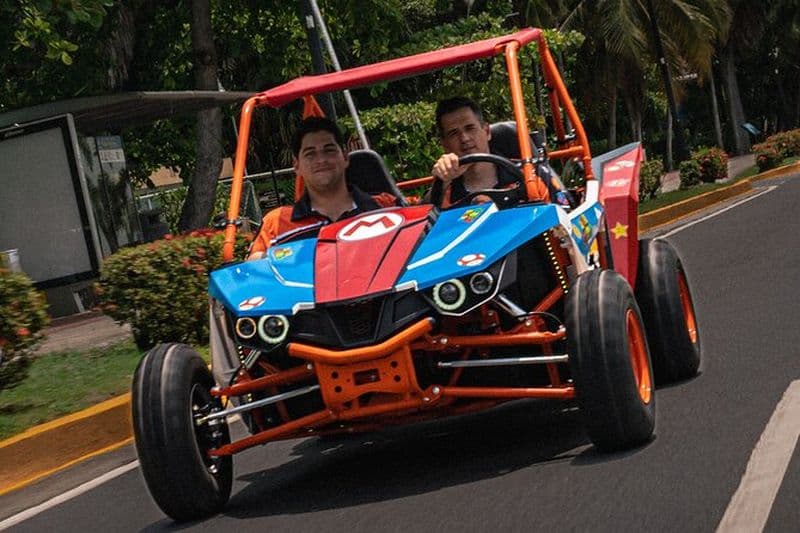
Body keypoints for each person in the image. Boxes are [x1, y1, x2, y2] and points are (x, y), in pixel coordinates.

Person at [248, 117, 397, 259]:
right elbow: (253, 268)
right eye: (310, 154)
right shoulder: (277, 223)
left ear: (345, 157)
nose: (321, 160)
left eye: (329, 150)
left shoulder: (385, 206)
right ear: (297, 165)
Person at [428, 96, 563, 208]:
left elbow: (567, 220)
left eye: (470, 128)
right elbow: (421, 234)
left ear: (486, 132)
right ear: (445, 144)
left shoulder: (533, 176)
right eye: (453, 133)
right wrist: (440, 184)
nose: (464, 138)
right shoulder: (443, 195)